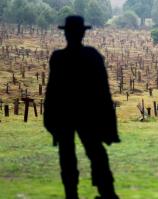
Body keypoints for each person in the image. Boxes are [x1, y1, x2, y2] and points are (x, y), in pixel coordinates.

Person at [44, 16, 120, 199]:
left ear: (66, 33)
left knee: (68, 156)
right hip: (89, 116)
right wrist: (109, 125)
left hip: (65, 116)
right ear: (83, 33)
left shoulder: (58, 58)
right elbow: (104, 92)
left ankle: (72, 194)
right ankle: (107, 192)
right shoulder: (92, 56)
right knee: (96, 154)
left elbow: (51, 92)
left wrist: (50, 121)